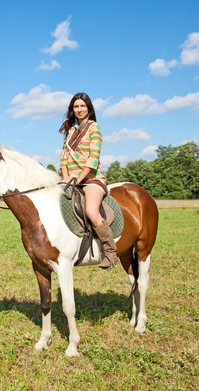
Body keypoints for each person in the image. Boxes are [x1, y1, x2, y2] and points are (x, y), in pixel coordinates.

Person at [59, 92, 118, 269]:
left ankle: (110, 252)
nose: (79, 110)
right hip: (71, 180)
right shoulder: (70, 132)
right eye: (76, 107)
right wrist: (65, 178)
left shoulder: (94, 128)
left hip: (92, 180)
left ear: (89, 108)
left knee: (92, 211)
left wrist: (79, 178)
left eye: (82, 106)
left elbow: (93, 159)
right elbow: (63, 159)